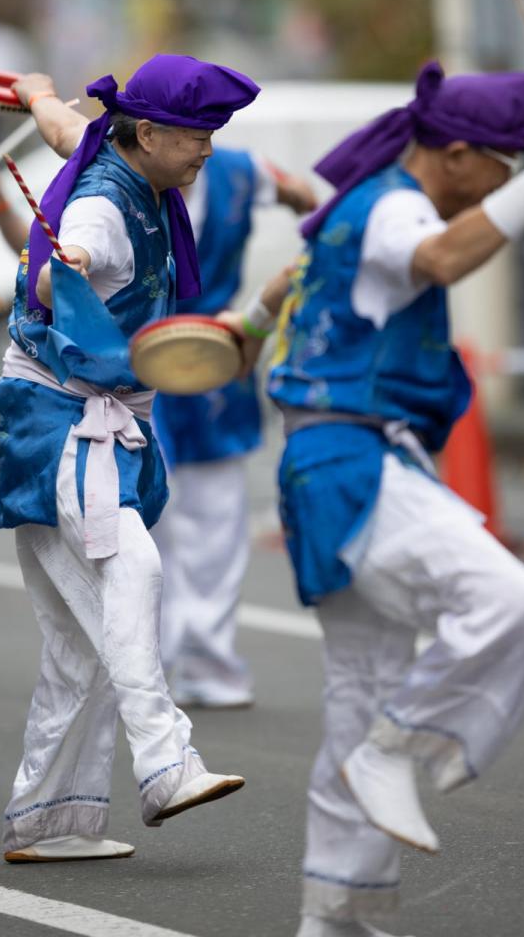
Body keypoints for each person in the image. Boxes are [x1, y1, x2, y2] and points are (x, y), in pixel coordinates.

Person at [219, 62, 524, 937]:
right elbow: (438, 258)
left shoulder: (360, 206)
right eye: (502, 161)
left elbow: (286, 286)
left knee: (359, 692)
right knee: (505, 598)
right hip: (354, 463)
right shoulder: (395, 210)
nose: (504, 176)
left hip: (328, 466)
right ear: (457, 154)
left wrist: (245, 329)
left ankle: (333, 915)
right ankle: (403, 743)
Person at [0, 54, 259, 864]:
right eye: (196, 135)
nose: (206, 149)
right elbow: (57, 273)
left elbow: (64, 129)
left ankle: (50, 820)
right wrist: (63, 271)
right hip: (60, 422)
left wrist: (37, 94)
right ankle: (166, 763)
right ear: (146, 133)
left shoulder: (115, 153)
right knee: (132, 572)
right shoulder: (105, 210)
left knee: (82, 644)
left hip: (81, 418)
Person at [152, 149, 316, 708]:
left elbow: (308, 200)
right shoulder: (116, 168)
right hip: (135, 361)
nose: (198, 143)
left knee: (217, 521)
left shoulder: (242, 171)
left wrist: (313, 231)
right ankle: (146, 665)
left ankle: (208, 662)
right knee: (142, 525)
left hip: (215, 360)